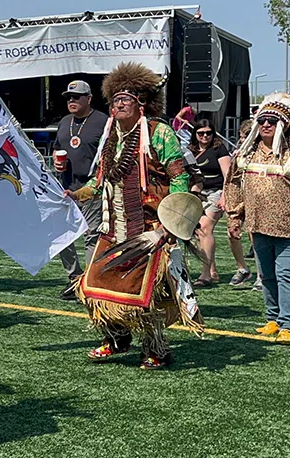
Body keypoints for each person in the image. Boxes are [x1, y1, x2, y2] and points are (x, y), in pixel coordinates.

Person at [66, 62, 199, 370]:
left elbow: (178, 175)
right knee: (94, 286)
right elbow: (99, 180)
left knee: (146, 293)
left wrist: (172, 222)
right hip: (113, 228)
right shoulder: (110, 137)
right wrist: (76, 194)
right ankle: (116, 338)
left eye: (128, 97)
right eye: (115, 98)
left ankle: (156, 349)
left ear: (143, 103)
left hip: (150, 230)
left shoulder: (159, 132)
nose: (120, 102)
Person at [224, 93, 290, 345]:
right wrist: (234, 216)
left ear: (285, 125)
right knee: (267, 276)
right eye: (262, 121)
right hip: (259, 226)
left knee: (286, 275)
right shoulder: (247, 154)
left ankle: (288, 325)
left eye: (272, 121)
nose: (266, 125)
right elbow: (234, 185)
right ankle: (273, 318)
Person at [53, 80, 108, 300]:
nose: (72, 101)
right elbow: (58, 148)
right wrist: (58, 163)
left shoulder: (102, 121)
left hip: (92, 187)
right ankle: (75, 278)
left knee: (91, 235)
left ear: (89, 98)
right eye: (68, 98)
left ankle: (90, 281)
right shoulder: (65, 121)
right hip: (66, 187)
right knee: (62, 236)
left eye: (76, 97)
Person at [190, 120, 233, 287]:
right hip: (197, 192)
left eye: (208, 133)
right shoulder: (190, 151)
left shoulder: (219, 149)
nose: (205, 136)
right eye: (201, 133)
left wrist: (224, 196)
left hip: (216, 191)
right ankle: (212, 270)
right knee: (197, 233)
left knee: (205, 228)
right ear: (195, 135)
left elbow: (227, 174)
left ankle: (206, 274)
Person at [228, 119, 256, 287]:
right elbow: (232, 179)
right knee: (232, 233)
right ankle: (243, 268)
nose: (241, 139)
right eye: (240, 136)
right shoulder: (239, 153)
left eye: (245, 136)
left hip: (257, 199)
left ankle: (262, 275)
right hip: (239, 197)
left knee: (254, 236)